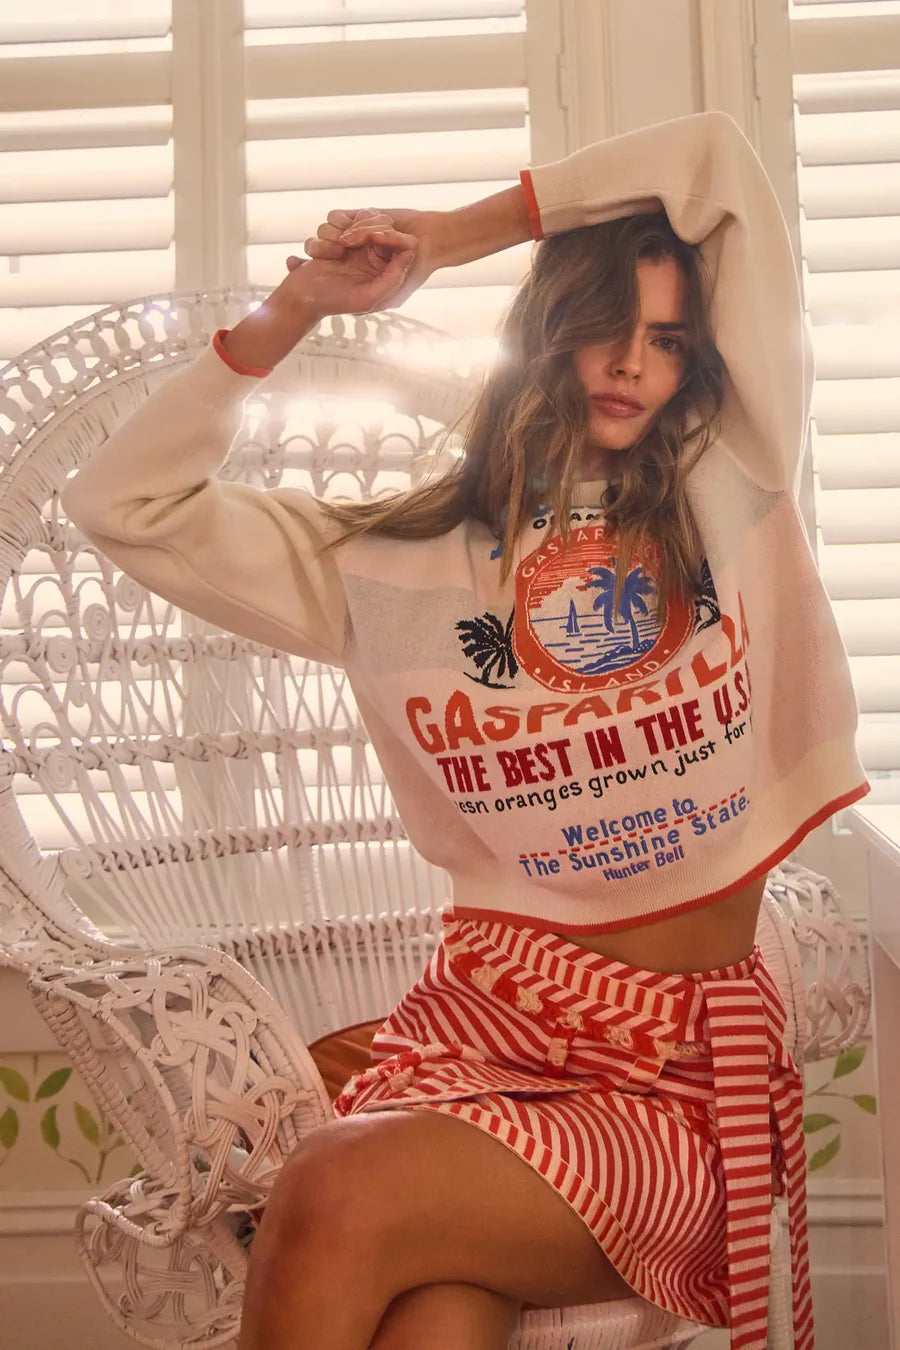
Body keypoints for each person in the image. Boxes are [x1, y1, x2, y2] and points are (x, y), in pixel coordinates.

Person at [62, 110, 869, 1350]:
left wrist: (457, 232)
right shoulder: (393, 565)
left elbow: (714, 160)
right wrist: (297, 312)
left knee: (337, 1184)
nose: (633, 365)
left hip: (674, 1093)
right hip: (475, 1055)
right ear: (544, 338)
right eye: (604, 328)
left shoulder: (732, 481)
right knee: (432, 1317)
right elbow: (122, 505)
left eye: (667, 340)